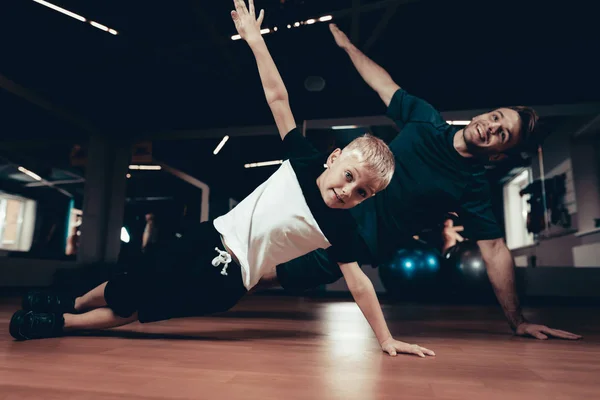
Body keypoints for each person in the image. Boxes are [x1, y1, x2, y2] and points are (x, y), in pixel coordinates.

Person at [9, 0, 434, 358]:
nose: (348, 191)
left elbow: (358, 284)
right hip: (205, 236)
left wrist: (386, 338)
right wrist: (255, 40)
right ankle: (75, 301)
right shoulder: (305, 159)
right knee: (128, 282)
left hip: (227, 280)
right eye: (349, 177)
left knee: (136, 308)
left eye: (362, 192)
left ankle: (61, 323)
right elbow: (278, 96)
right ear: (334, 158)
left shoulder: (340, 228)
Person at [266, 23, 581, 341]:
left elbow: (495, 250)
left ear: (499, 154)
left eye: (503, 134)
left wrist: (518, 320)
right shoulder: (425, 119)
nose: (492, 126)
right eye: (496, 117)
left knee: (266, 276)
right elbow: (382, 83)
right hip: (324, 206)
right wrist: (348, 46)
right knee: (250, 248)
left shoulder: (471, 186)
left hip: (353, 243)